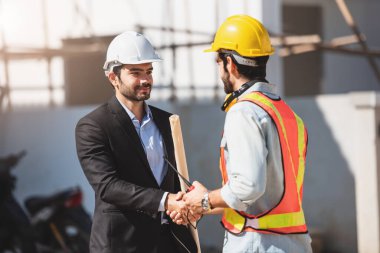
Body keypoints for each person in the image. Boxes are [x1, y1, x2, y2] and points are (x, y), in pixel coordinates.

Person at [178, 15, 313, 252]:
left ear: (229, 63)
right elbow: (260, 197)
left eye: (218, 62)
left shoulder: (244, 111)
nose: (219, 69)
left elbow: (248, 187)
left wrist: (205, 198)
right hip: (293, 244)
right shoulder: (287, 114)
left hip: (258, 243)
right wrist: (203, 204)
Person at [75, 31, 197, 253]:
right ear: (113, 77)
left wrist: (183, 203)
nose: (145, 80)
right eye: (136, 72)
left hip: (170, 243)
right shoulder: (93, 126)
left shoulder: (167, 121)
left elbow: (173, 180)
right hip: (123, 244)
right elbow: (108, 186)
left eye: (149, 72)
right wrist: (166, 200)